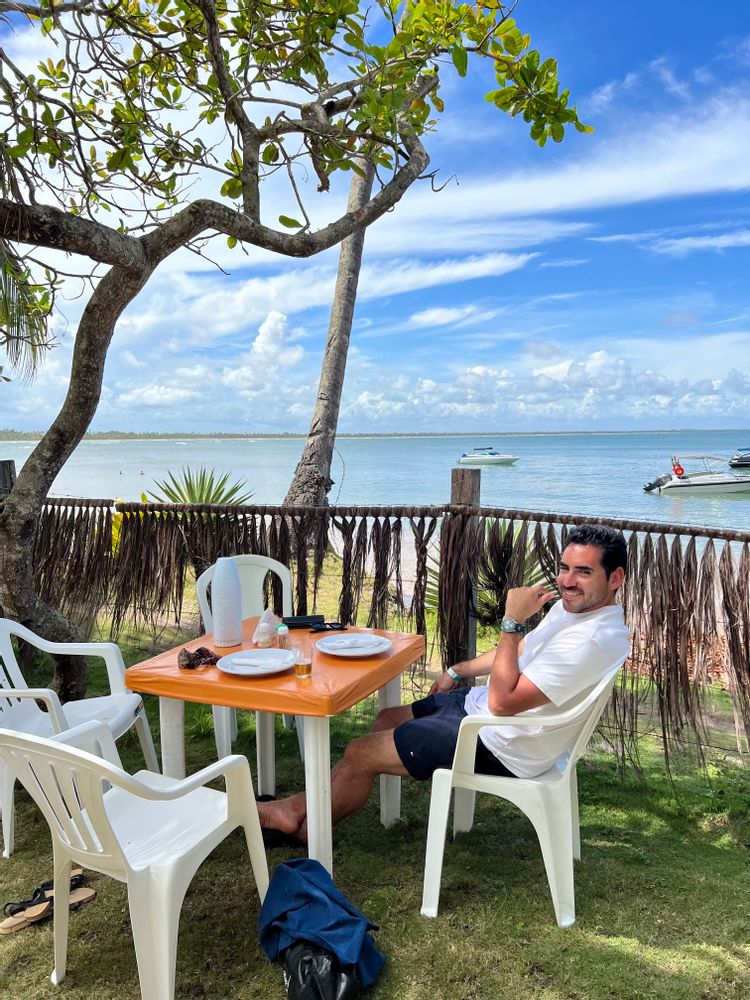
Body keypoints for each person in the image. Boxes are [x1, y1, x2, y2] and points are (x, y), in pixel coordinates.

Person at [258, 524, 631, 843]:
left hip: (499, 742)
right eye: (564, 568)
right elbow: (516, 655)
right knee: (388, 717)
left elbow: (504, 701)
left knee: (360, 752)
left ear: (615, 578)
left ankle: (301, 827)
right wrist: (459, 669)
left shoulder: (591, 640)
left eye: (583, 572)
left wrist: (512, 623)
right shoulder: (576, 615)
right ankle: (307, 807)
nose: (567, 581)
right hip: (482, 712)